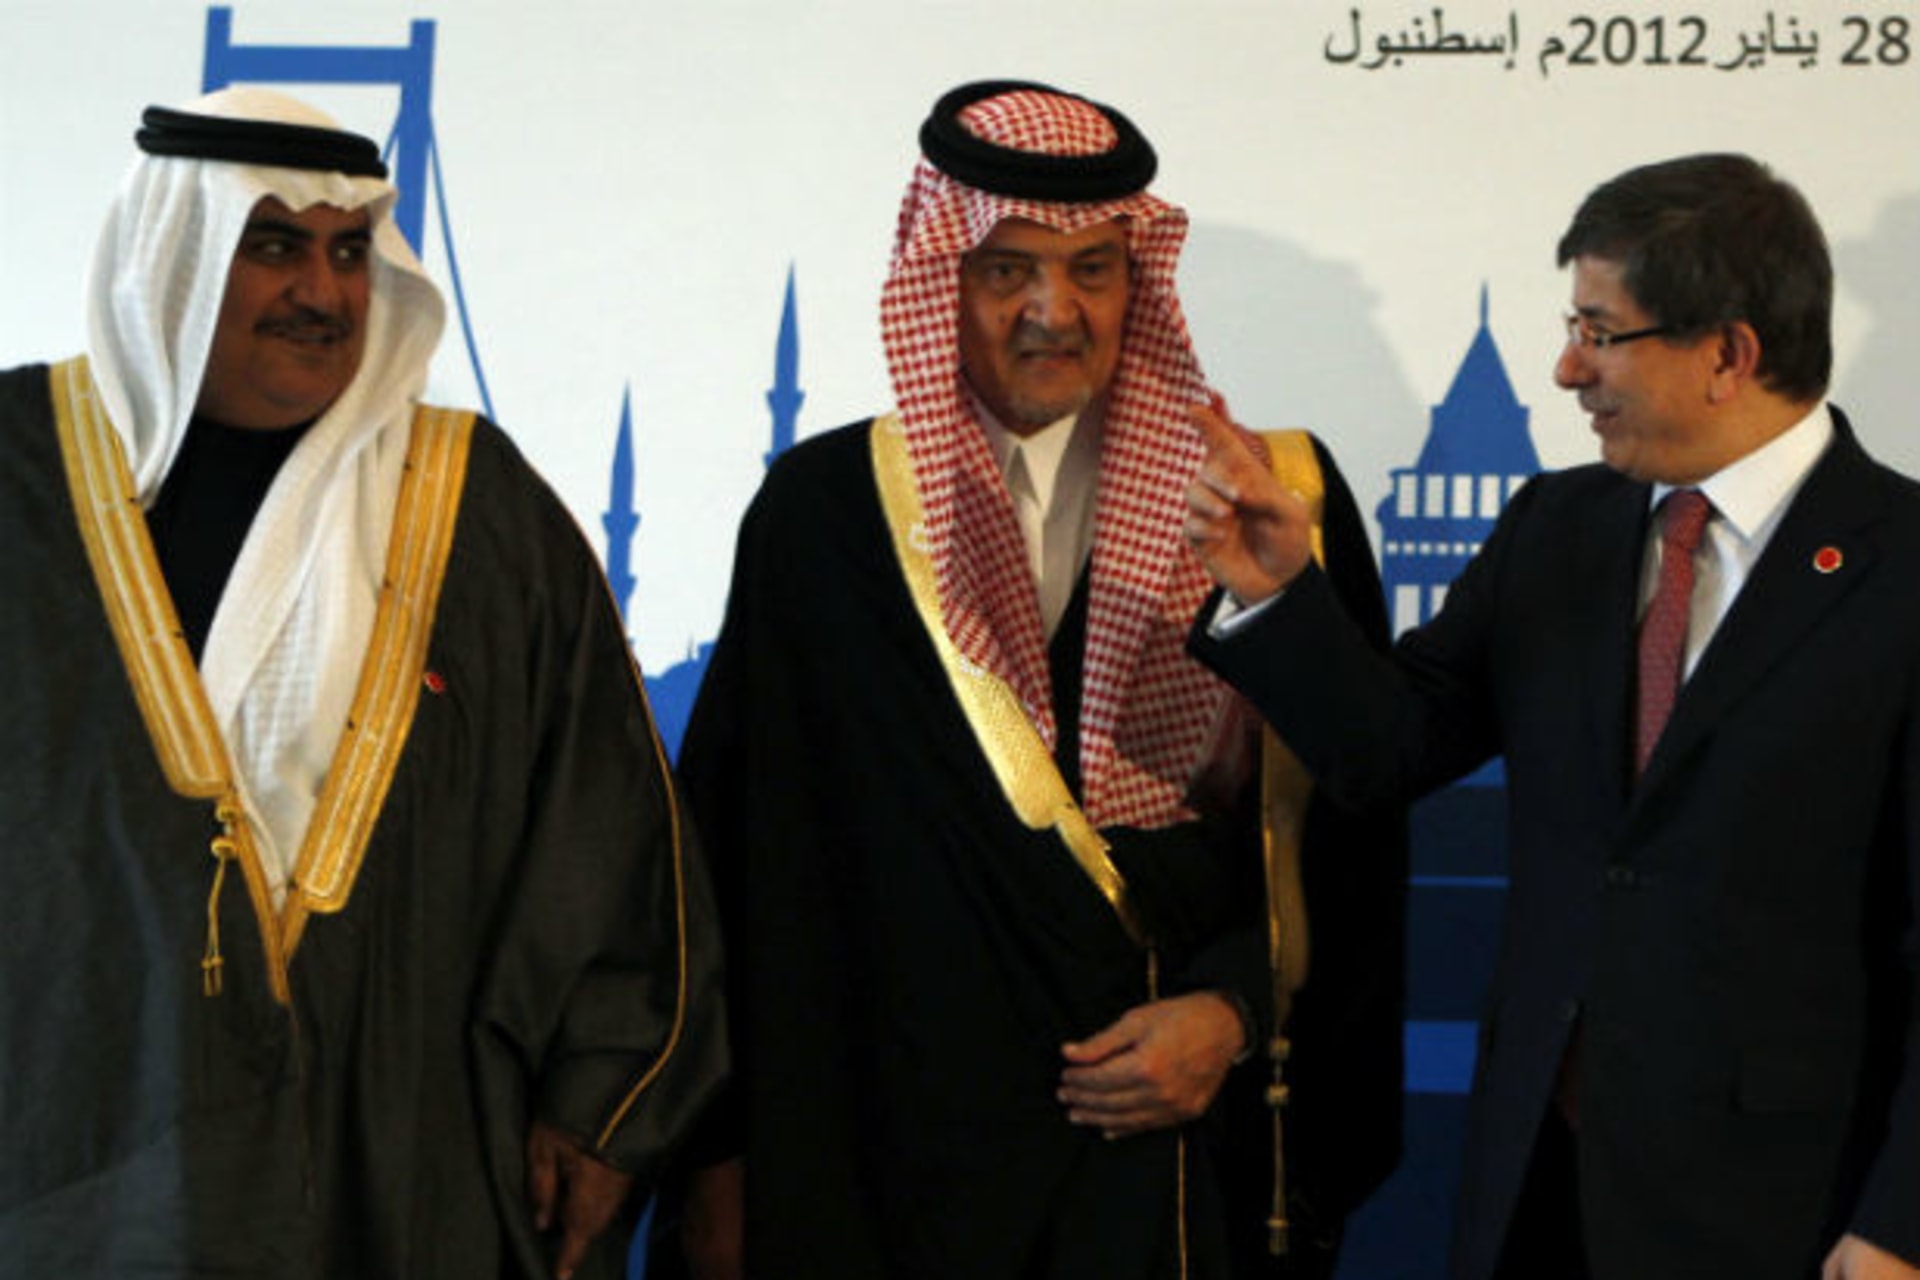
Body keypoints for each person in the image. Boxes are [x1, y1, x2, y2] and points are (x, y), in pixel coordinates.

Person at [662, 80, 1404, 1280]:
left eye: (1093, 269)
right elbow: (747, 867)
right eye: (1007, 269)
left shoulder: (1271, 499)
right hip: (889, 1157)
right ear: (941, 278)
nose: (1054, 312)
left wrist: (1235, 1011)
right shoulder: (825, 515)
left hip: (1158, 1149)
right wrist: (717, 1159)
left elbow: (1346, 834)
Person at [0, 87, 725, 1278]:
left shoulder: (473, 501)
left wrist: (606, 1103)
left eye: (348, 253)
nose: (323, 293)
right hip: (81, 1143)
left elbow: (607, 825)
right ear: (176, 255)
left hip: (409, 1142)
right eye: (273, 246)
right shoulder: (21, 472)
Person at [1185, 153, 1920, 1280]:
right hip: (1537, 1175)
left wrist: (1899, 1225)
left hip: (1788, 1205)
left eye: (1600, 332)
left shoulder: (1901, 567)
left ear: (1728, 354)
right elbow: (1388, 748)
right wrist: (1280, 594)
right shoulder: (1555, 527)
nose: (1567, 368)